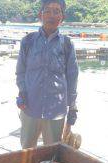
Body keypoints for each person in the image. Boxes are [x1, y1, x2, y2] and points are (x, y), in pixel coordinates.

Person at [16, 0, 78, 149]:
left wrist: (73, 106)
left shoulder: (67, 44)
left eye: (56, 11)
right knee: (26, 150)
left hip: (56, 109)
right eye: (48, 10)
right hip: (30, 106)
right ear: (40, 15)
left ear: (62, 17)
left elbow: (72, 77)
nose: (51, 15)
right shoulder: (28, 41)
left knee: (52, 152)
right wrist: (23, 91)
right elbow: (20, 71)